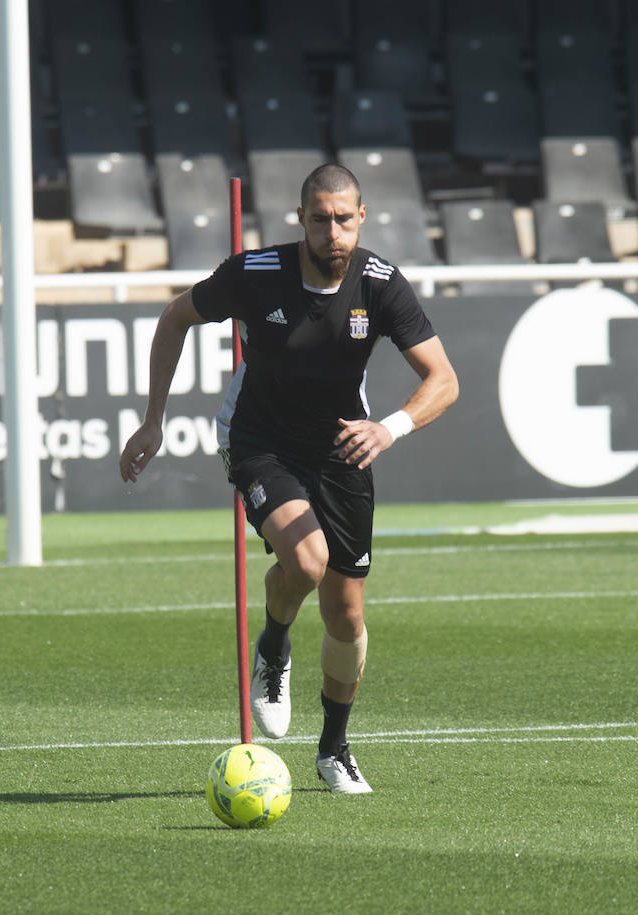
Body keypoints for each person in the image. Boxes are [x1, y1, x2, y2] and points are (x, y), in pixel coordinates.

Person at [120, 164, 459, 793]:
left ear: (362, 217)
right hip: (259, 440)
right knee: (305, 562)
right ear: (300, 220)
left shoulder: (381, 284)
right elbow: (175, 319)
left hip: (342, 446)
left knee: (347, 616)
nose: (332, 230)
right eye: (319, 217)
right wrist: (152, 421)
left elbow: (444, 380)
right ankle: (274, 649)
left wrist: (390, 428)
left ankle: (334, 749)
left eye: (343, 217)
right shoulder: (254, 276)